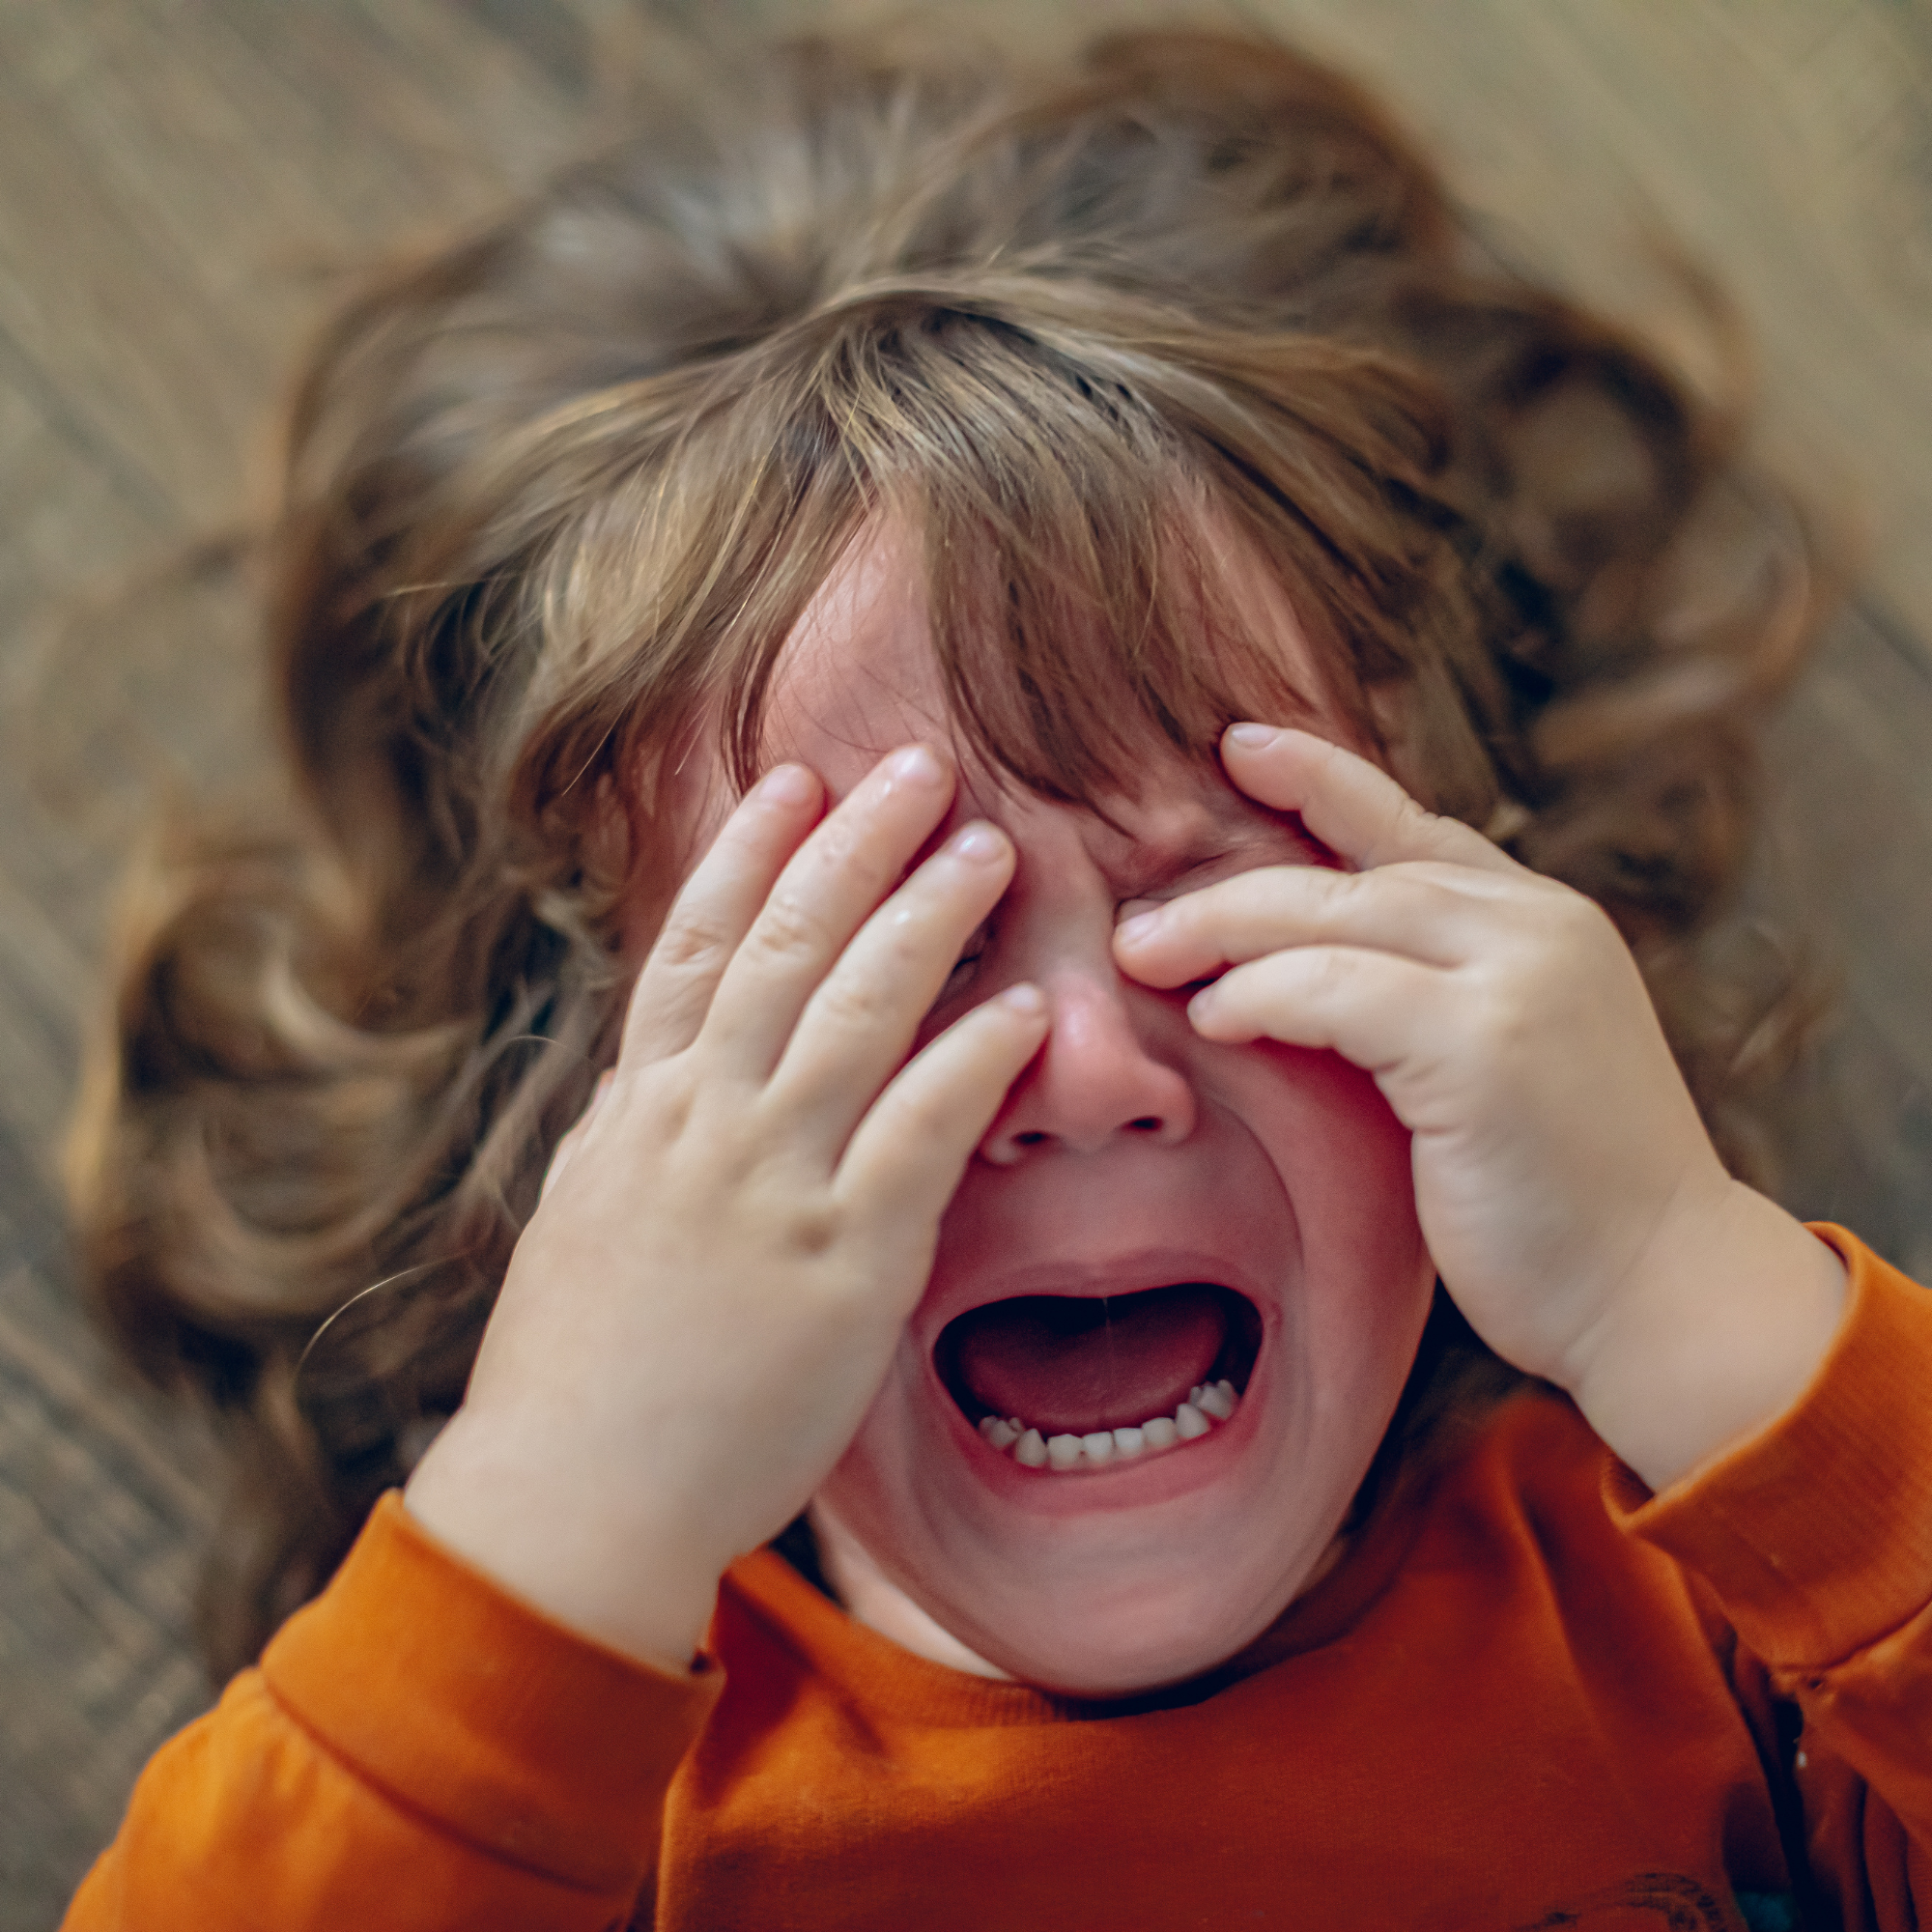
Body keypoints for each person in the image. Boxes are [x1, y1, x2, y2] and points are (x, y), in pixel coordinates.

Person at [61, 22, 1930, 1930]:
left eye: (1207, 906)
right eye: (881, 966)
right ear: (584, 1145)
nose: (1083, 1068)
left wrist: (1683, 1284)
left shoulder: (1722, 1619)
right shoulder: (588, 1809)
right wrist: (560, 1498)